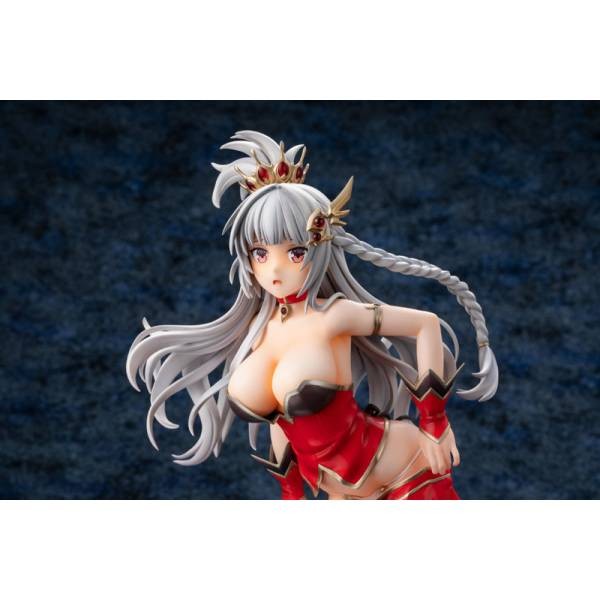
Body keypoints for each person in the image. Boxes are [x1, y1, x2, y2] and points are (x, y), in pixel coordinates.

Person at [126, 130, 498, 499]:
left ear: (318, 248)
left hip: (404, 466)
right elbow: (278, 420)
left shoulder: (333, 316)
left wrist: (434, 422)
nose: (275, 269)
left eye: (295, 252)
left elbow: (425, 324)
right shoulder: (260, 331)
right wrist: (291, 493)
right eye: (260, 253)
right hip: (338, 492)